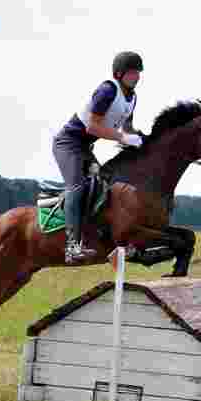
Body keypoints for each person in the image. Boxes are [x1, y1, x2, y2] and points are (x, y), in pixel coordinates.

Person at [52, 51, 146, 264]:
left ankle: (104, 236)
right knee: (78, 187)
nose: (137, 76)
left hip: (85, 148)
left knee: (106, 185)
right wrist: (123, 137)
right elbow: (93, 127)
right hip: (68, 143)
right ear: (119, 73)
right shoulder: (107, 90)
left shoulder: (132, 98)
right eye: (132, 72)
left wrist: (140, 137)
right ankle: (72, 247)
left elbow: (127, 127)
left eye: (138, 72)